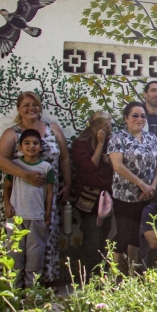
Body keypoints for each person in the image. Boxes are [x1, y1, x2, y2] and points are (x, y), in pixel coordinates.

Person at [0, 91, 71, 285]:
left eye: (35, 104)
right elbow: (0, 160)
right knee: (17, 244)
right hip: (19, 198)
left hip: (47, 196)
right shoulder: (12, 133)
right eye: (26, 105)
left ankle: (41, 283)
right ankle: (13, 284)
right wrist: (25, 174)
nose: (31, 108)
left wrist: (67, 184)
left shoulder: (52, 128)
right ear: (19, 109)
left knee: (43, 240)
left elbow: (64, 157)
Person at [108, 101, 157, 272]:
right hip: (125, 195)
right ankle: (113, 273)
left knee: (137, 236)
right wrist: (142, 185)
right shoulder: (118, 138)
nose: (139, 119)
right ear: (126, 118)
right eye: (135, 115)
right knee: (124, 233)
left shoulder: (151, 138)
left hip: (146, 196)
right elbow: (117, 166)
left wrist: (151, 187)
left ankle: (133, 272)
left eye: (143, 116)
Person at [3, 128, 55, 288]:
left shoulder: (46, 168)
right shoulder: (14, 166)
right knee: (15, 256)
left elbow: (49, 193)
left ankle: (32, 293)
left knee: (35, 255)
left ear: (40, 147)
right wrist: (7, 205)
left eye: (35, 143)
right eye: (26, 143)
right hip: (16, 218)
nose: (31, 146)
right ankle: (14, 292)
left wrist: (47, 214)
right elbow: (7, 188)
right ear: (20, 147)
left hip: (37, 218)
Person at [70, 111, 114, 281]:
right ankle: (89, 275)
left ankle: (100, 274)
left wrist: (109, 160)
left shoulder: (112, 141)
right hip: (89, 198)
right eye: (105, 126)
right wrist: (100, 145)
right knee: (92, 237)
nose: (109, 129)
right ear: (95, 127)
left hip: (107, 197)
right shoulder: (81, 145)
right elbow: (89, 168)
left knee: (104, 235)